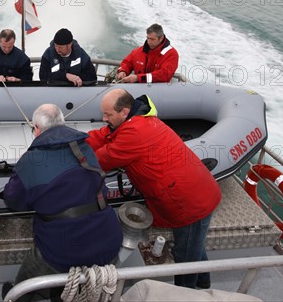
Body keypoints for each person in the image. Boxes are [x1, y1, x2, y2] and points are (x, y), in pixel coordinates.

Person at [86, 89, 221, 289]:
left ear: (124, 112)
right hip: (196, 192)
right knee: (195, 245)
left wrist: (71, 158)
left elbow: (99, 160)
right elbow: (104, 135)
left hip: (190, 203)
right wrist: (73, 141)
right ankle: (204, 281)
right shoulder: (137, 120)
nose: (104, 118)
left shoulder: (133, 134)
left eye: (108, 115)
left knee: (185, 257)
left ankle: (188, 292)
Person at [2, 104, 122, 301]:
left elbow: (15, 201)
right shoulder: (84, 148)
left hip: (62, 248)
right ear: (63, 123)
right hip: (108, 240)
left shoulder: (31, 161)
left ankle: (18, 294)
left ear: (37, 129)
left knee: (30, 270)